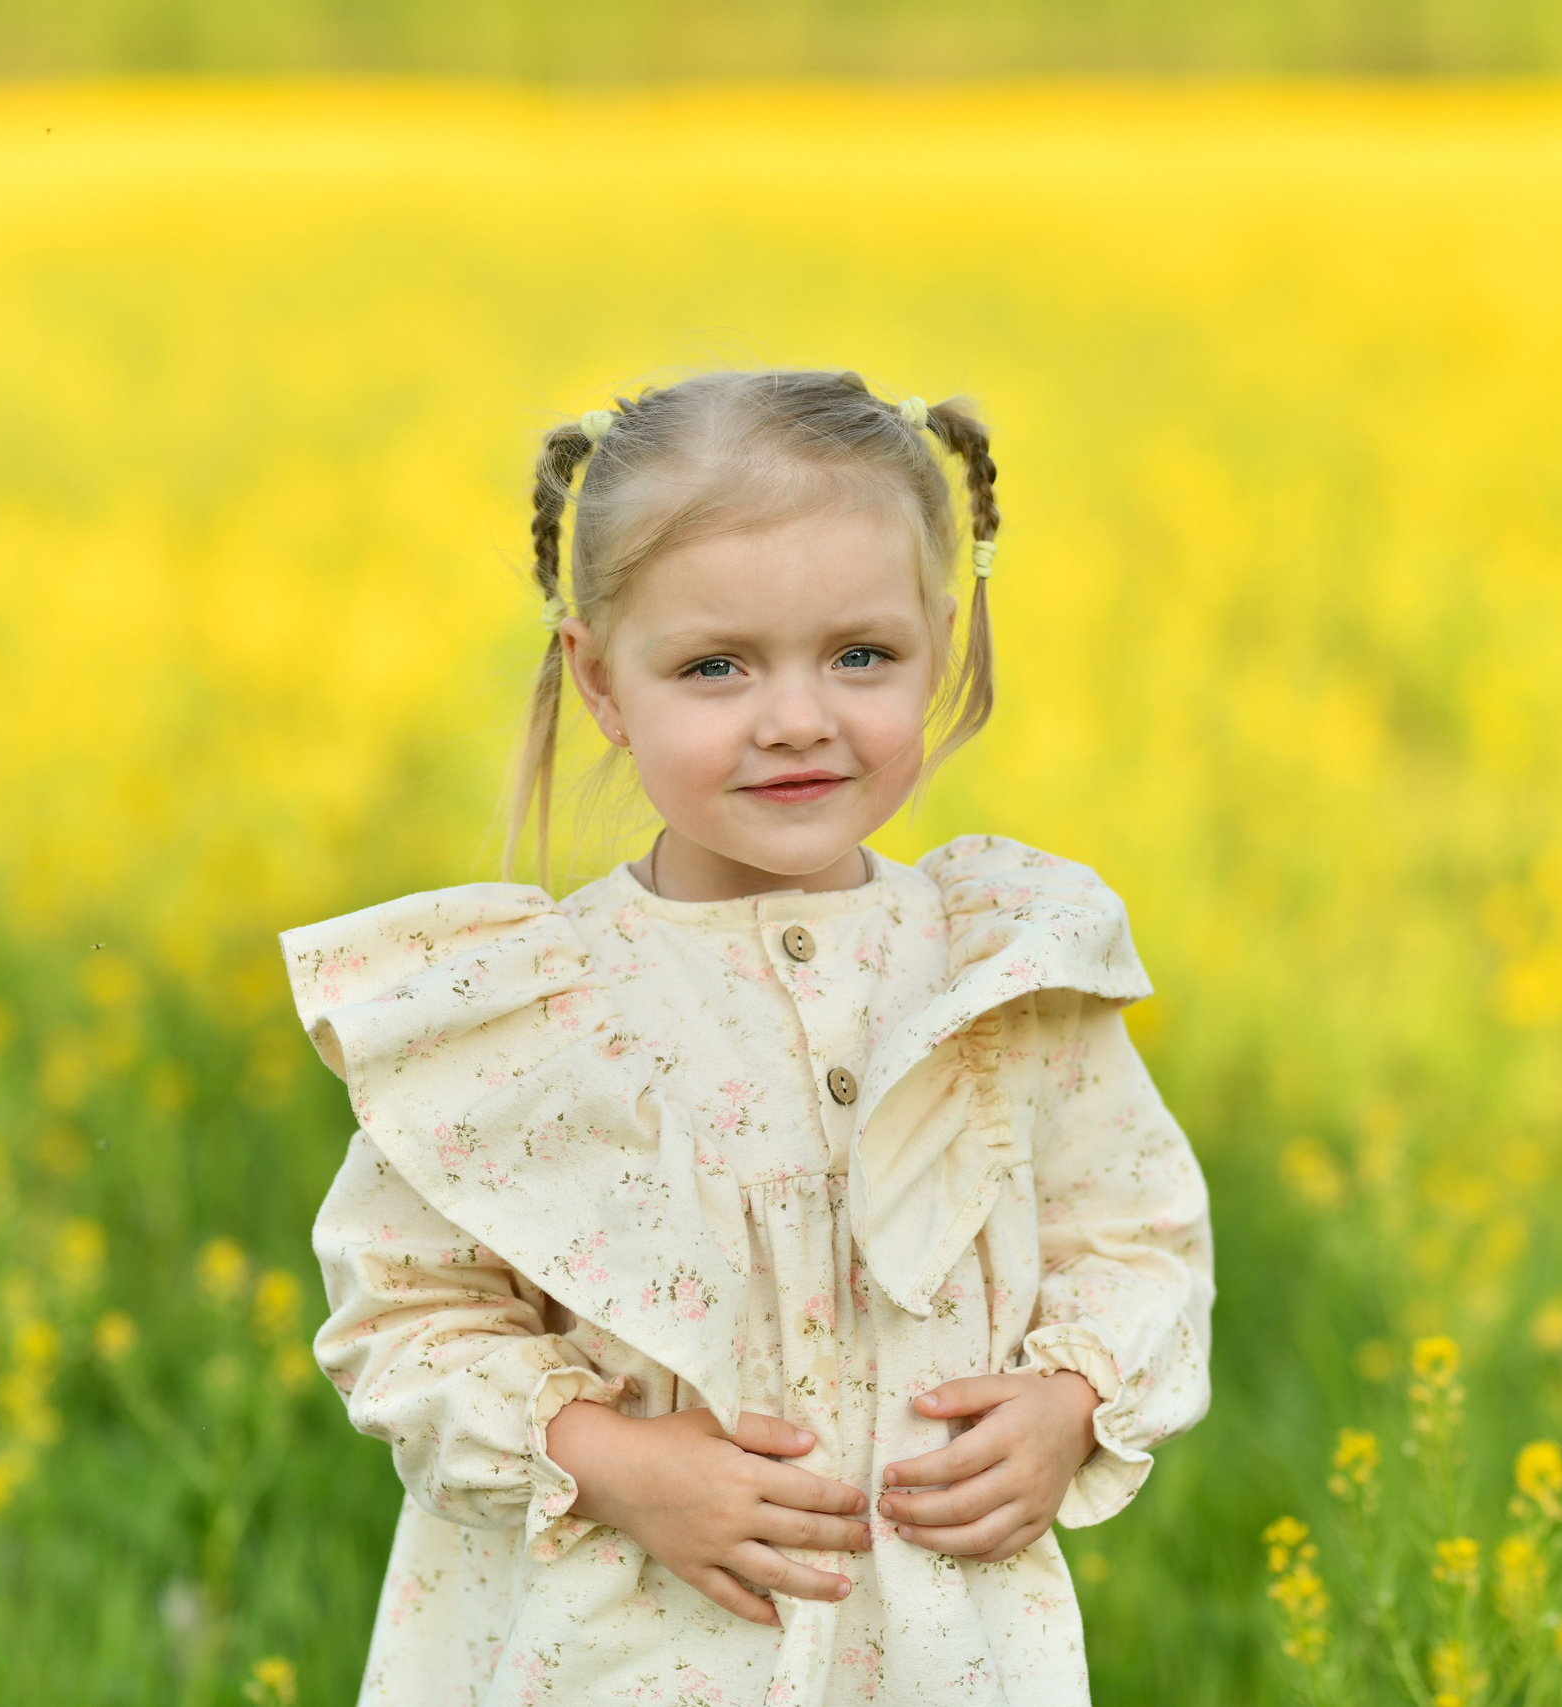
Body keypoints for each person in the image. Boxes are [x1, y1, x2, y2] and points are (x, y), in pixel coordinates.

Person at [283, 370, 1213, 1706]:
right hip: (626, 1647)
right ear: (602, 684)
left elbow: (1133, 1234)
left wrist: (1070, 1405)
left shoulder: (996, 977)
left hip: (937, 1647)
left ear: (937, 644)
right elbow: (405, 1313)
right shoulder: (539, 1012)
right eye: (716, 666)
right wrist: (614, 1461)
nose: (795, 717)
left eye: (859, 656)